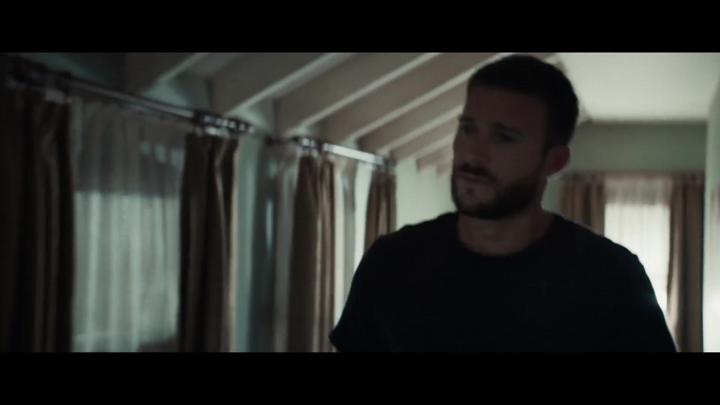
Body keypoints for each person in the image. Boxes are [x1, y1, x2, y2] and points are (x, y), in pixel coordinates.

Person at [329, 54, 677, 352]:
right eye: (468, 129)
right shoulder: (392, 262)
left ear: (554, 162)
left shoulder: (611, 279)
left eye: (504, 137)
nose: (473, 154)